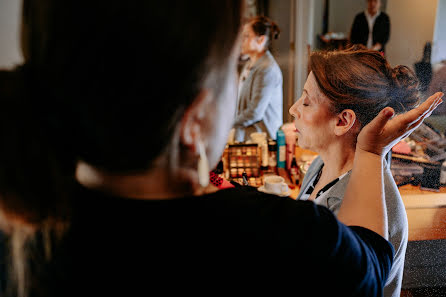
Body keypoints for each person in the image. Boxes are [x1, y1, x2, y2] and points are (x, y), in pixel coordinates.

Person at [0, 0, 442, 296]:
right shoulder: (276, 238)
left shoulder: (23, 224)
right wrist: (369, 155)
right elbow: (366, 264)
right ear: (194, 115)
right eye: (236, 65)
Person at [293, 46, 420, 297]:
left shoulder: (357, 210)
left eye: (306, 101)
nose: (293, 109)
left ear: (343, 121)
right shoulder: (322, 164)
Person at [234, 16, 283, 142]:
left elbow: (254, 113)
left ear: (261, 40)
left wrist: (226, 123)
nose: (241, 41)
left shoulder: (267, 69)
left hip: (263, 141)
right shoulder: (249, 64)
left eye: (246, 36)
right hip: (248, 138)